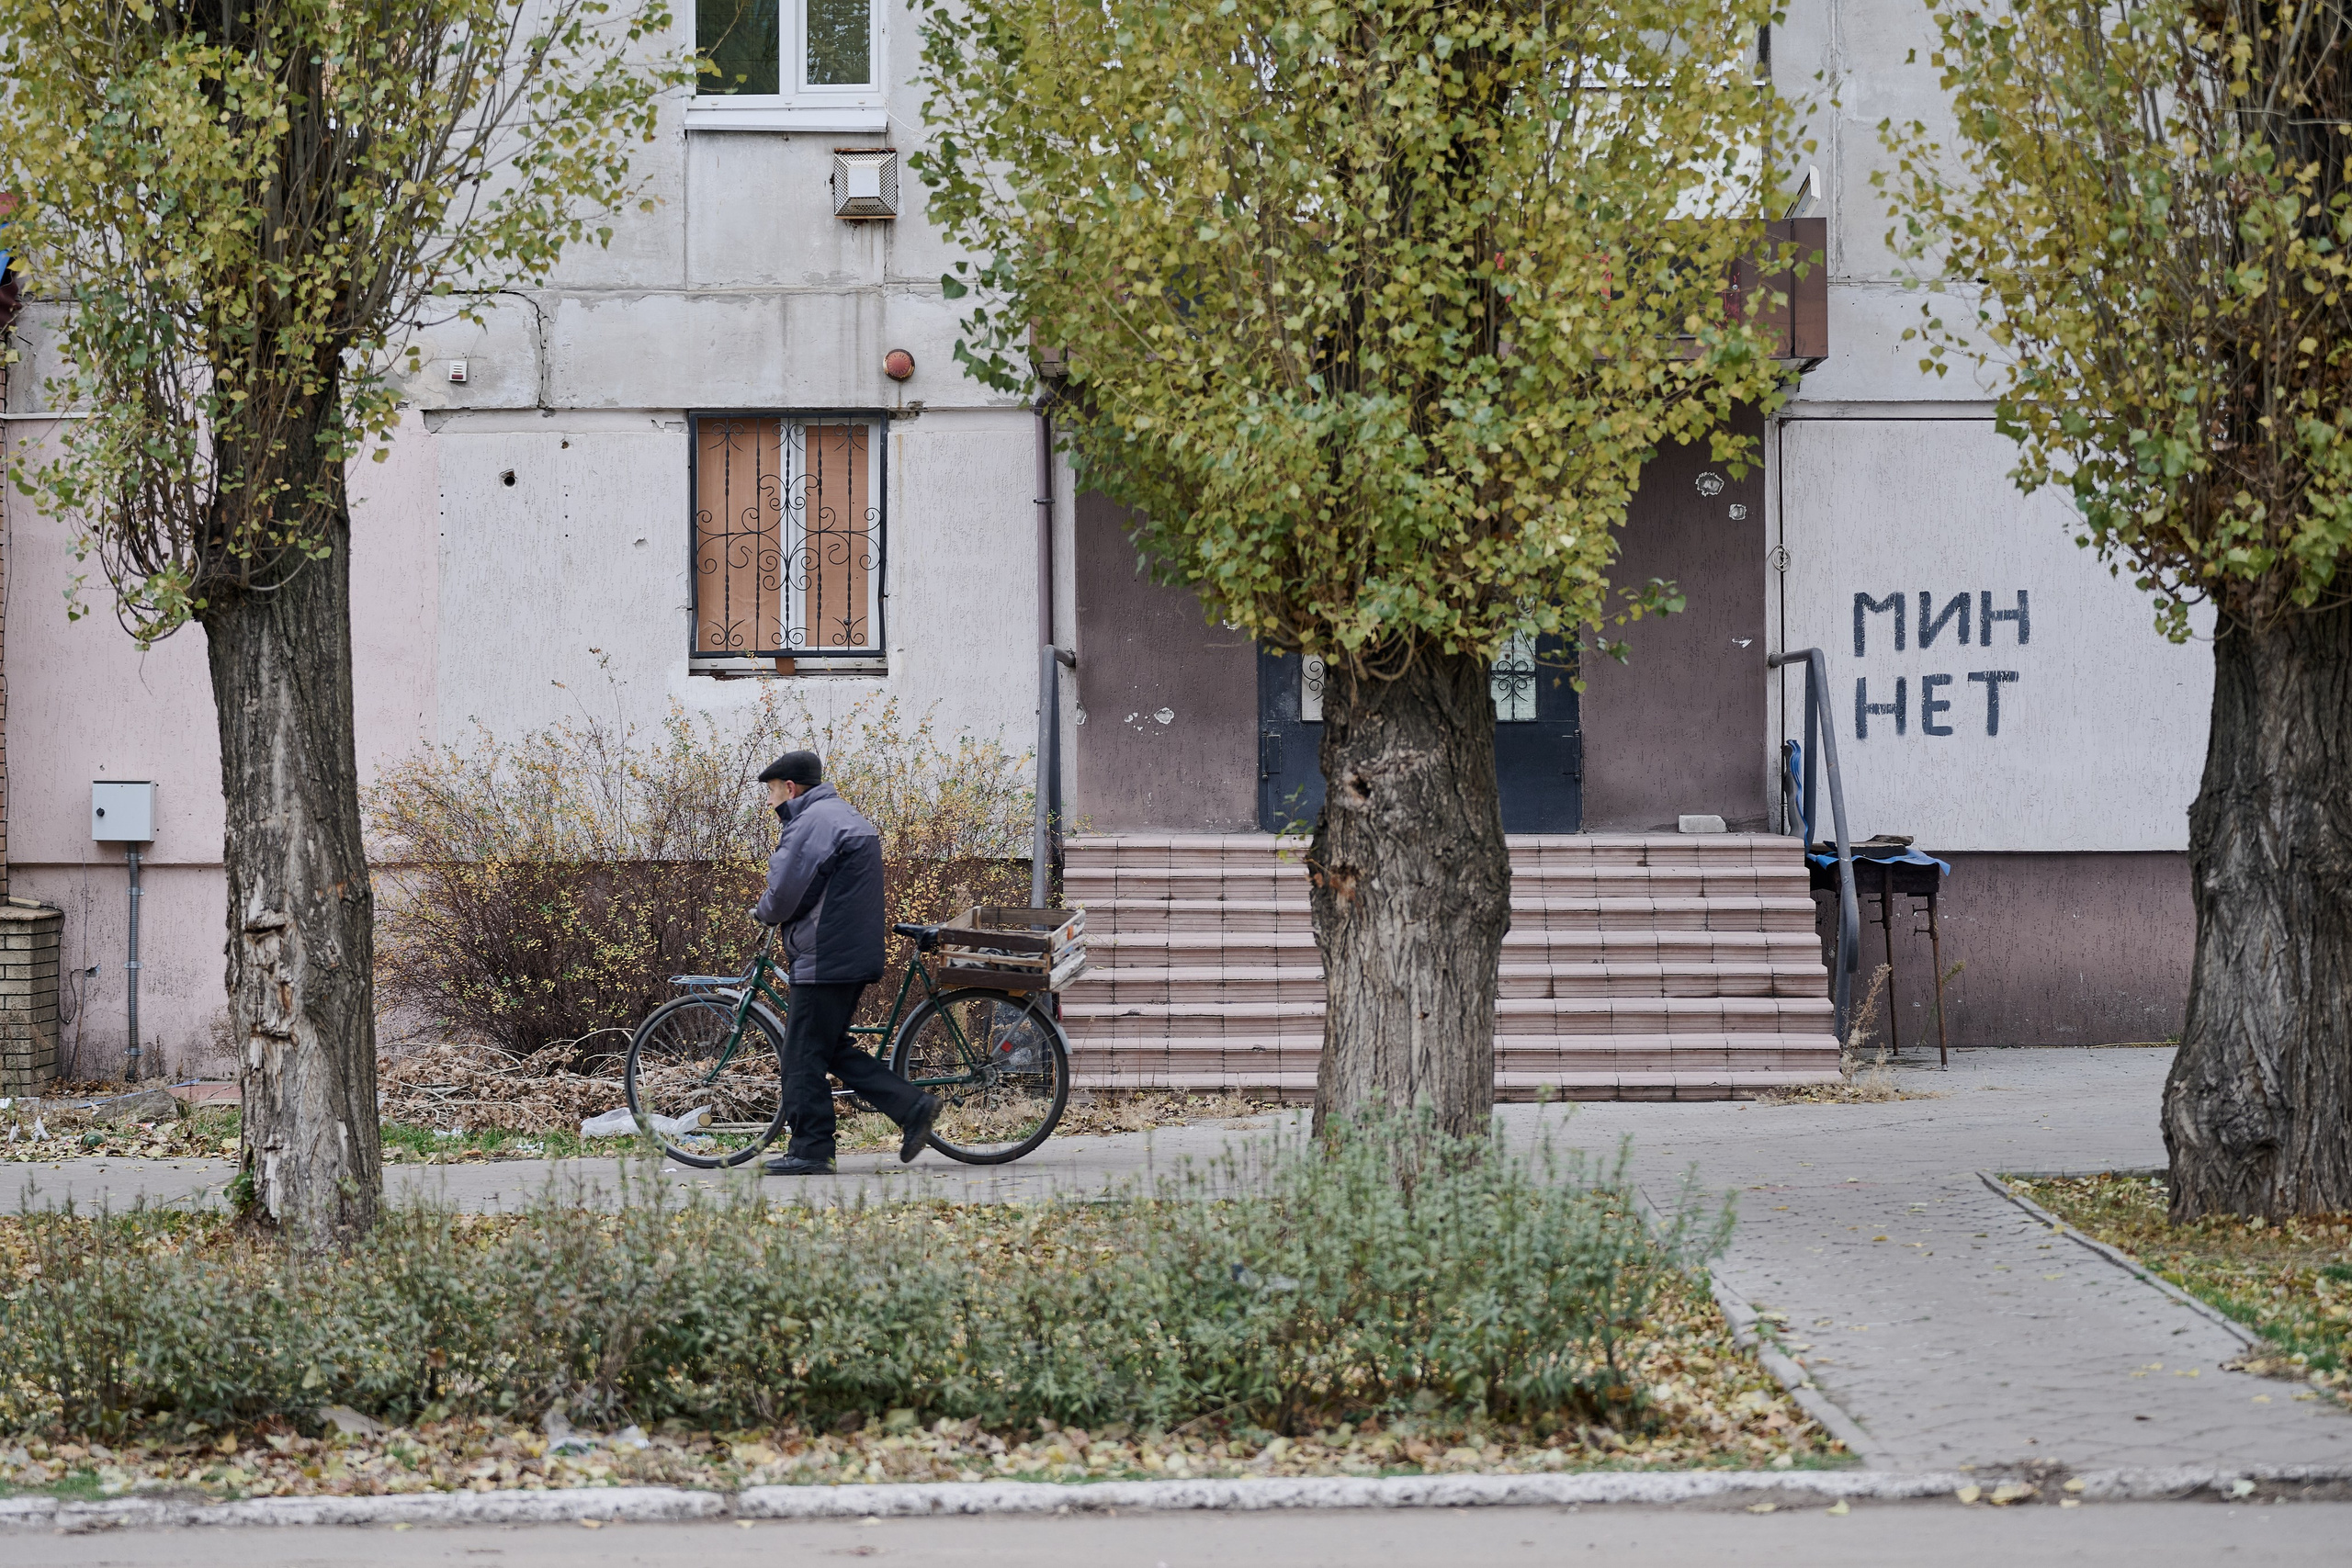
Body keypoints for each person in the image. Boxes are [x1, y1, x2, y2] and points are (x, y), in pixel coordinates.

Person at [750, 750, 941, 1175]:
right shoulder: (841, 815)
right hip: (848, 951)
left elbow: (784, 892)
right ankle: (913, 1108)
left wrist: (762, 912)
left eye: (772, 792)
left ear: (791, 788)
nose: (770, 802)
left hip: (825, 956)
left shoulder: (812, 824)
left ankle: (811, 1150)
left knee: (800, 1054)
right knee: (827, 1047)